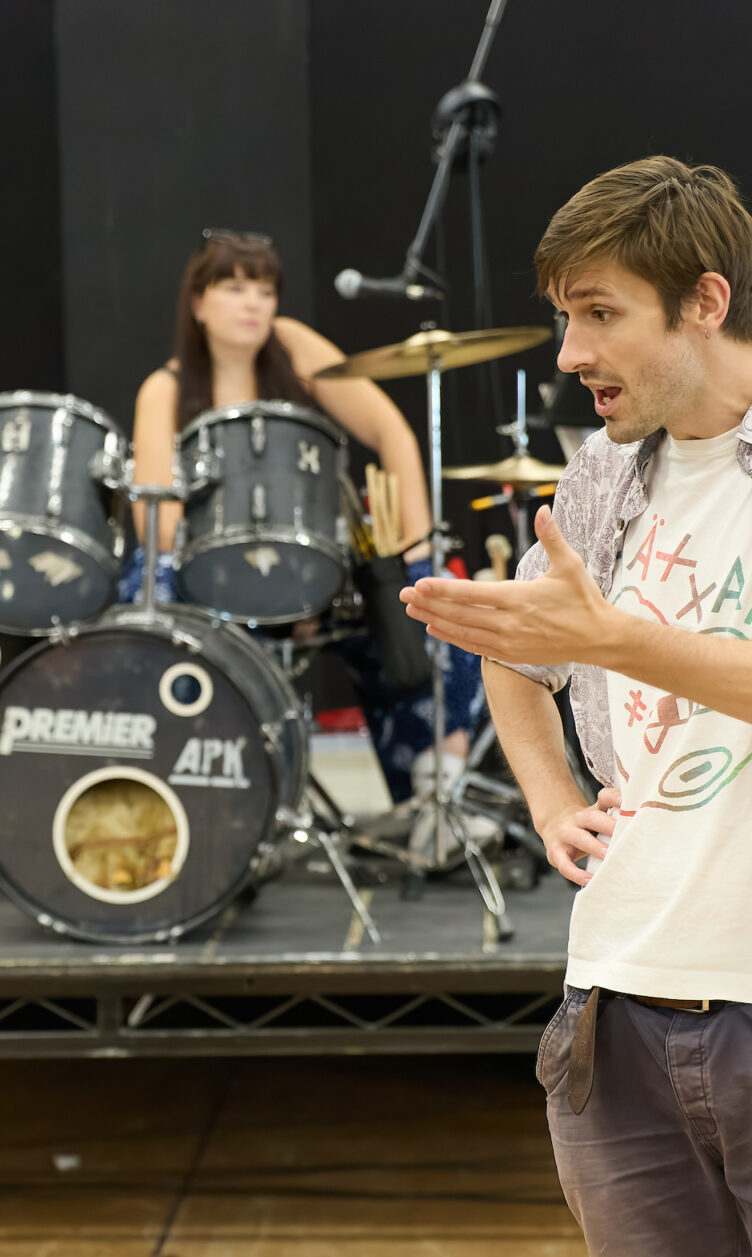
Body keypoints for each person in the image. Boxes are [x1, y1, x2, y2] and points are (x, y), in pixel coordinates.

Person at [402, 157, 752, 1257]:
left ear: (704, 299)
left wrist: (610, 640)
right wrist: (550, 794)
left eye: (601, 314)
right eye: (564, 317)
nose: (571, 354)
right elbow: (520, 657)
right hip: (615, 1014)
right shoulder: (600, 473)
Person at [128, 229, 486, 830]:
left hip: (315, 562)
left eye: (266, 291)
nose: (254, 304)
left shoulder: (291, 347)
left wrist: (416, 541)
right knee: (149, 594)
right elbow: (154, 523)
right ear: (198, 303)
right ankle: (189, 803)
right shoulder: (165, 389)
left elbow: (391, 431)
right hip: (205, 577)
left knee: (432, 601)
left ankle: (436, 792)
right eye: (236, 288)